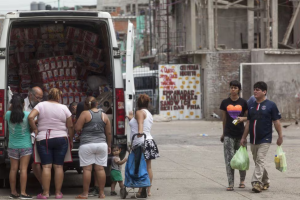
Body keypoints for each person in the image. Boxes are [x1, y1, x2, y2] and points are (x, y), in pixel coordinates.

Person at [28, 88, 74, 199]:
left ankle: (45, 193)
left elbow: (30, 117)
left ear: (48, 95)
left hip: (44, 139)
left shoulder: (41, 105)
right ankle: (58, 193)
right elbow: (70, 126)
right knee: (59, 167)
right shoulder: (64, 108)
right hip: (61, 139)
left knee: (46, 167)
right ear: (59, 96)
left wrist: (35, 129)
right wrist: (71, 139)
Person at [240, 81, 283, 193]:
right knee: (257, 160)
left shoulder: (271, 105)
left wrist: (280, 136)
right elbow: (248, 123)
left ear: (264, 92)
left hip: (265, 138)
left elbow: (276, 121)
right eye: (254, 89)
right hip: (253, 139)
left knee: (260, 159)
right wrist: (243, 137)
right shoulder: (251, 106)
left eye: (258, 89)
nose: (255, 91)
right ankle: (266, 180)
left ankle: (256, 183)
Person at [75, 96, 111, 199]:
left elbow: (77, 128)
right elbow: (108, 132)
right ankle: (101, 193)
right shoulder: (104, 115)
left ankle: (85, 194)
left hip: (87, 144)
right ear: (97, 104)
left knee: (87, 169)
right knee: (100, 169)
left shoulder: (85, 114)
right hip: (102, 144)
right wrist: (109, 145)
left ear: (86, 105)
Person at [128, 94, 159, 197]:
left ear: (137, 103)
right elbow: (139, 123)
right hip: (149, 141)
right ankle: (148, 190)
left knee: (141, 167)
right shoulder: (148, 113)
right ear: (147, 103)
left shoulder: (139, 112)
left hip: (141, 143)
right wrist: (131, 119)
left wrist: (140, 132)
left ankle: (141, 191)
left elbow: (140, 124)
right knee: (147, 167)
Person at [219, 80, 248, 191]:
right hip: (228, 134)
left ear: (239, 89)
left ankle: (242, 181)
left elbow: (249, 118)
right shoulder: (225, 102)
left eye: (235, 88)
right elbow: (224, 119)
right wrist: (223, 133)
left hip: (240, 134)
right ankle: (230, 183)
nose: (233, 89)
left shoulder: (243, 103)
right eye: (231, 87)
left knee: (241, 159)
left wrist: (243, 119)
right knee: (229, 159)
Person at [5, 94, 33, 199]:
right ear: (23, 104)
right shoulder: (27, 114)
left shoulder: (8, 114)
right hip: (25, 145)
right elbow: (31, 127)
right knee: (23, 169)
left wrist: (12, 107)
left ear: (12, 104)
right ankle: (23, 193)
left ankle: (13, 192)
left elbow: (6, 114)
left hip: (12, 146)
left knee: (13, 169)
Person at [24, 87, 44, 190]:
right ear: (30, 95)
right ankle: (44, 186)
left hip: (39, 137)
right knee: (34, 162)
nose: (39, 100)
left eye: (41, 98)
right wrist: (33, 126)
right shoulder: (22, 105)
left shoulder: (41, 106)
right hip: (26, 138)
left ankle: (45, 185)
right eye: (38, 98)